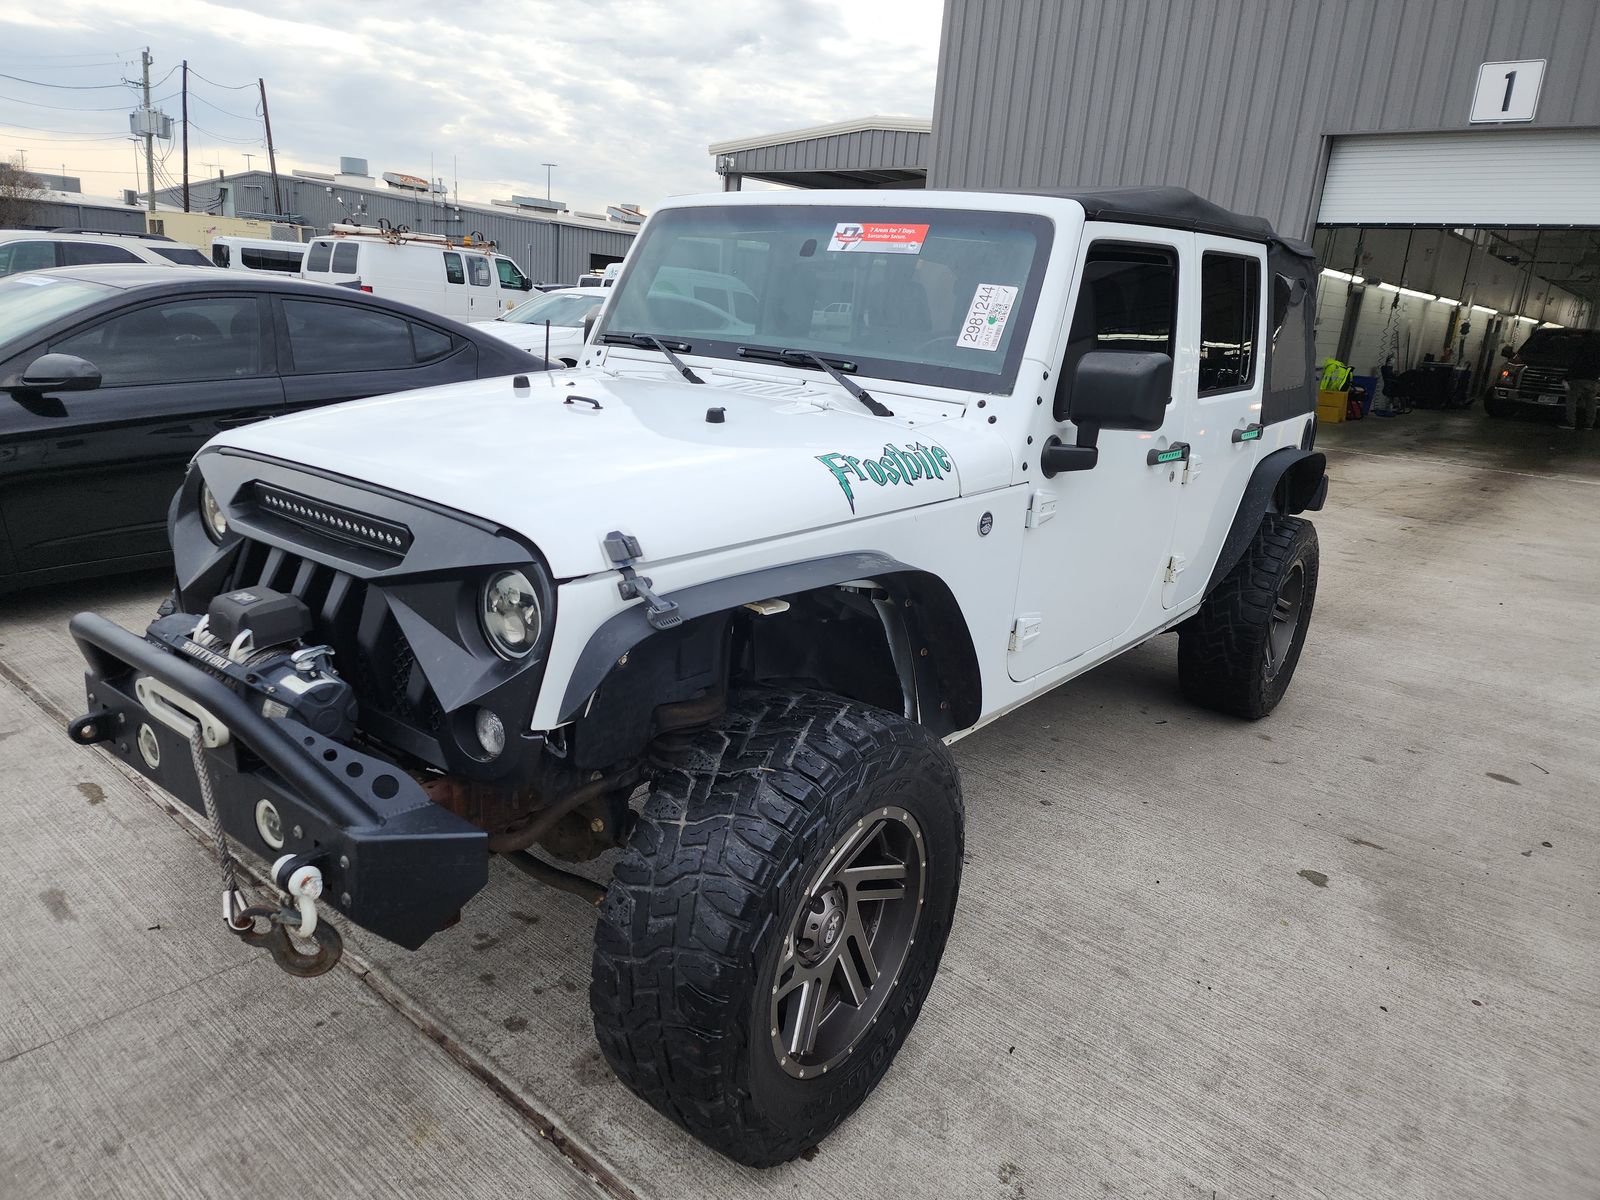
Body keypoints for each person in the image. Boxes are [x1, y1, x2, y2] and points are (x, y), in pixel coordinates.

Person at [1562, 338, 1600, 430]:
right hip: (1593, 380)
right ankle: (1589, 423)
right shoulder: (1597, 355)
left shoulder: (1580, 354)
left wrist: (1565, 378)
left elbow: (1573, 366)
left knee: (1572, 400)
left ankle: (1570, 422)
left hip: (1578, 379)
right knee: (1591, 402)